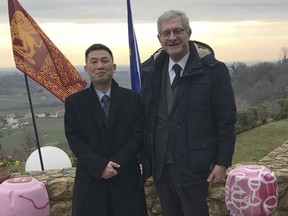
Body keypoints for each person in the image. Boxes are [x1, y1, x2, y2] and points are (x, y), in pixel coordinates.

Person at [141, 10, 237, 216]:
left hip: (196, 166)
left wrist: (222, 162)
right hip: (161, 167)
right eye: (166, 33)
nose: (172, 37)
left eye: (178, 31)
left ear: (189, 32)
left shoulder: (213, 71)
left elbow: (226, 120)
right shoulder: (151, 72)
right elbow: (146, 118)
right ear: (159, 38)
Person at [64, 43, 147, 216]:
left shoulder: (133, 99)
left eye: (104, 61)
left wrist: (115, 164)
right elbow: (75, 139)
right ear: (86, 68)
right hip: (91, 180)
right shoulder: (74, 103)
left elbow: (138, 135)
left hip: (126, 179)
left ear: (114, 67)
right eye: (94, 62)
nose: (100, 66)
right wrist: (100, 166)